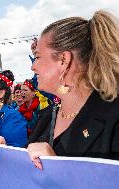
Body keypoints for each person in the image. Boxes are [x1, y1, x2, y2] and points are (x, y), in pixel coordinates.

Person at [26, 10, 119, 170]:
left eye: (38, 57)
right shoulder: (49, 115)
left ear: (64, 60)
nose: (33, 66)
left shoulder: (114, 117)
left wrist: (60, 170)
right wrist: (3, 154)